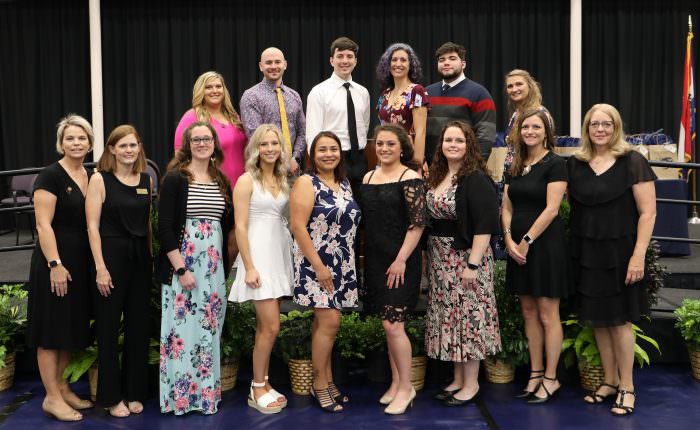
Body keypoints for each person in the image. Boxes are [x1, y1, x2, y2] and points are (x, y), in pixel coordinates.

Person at [568, 104, 656, 416]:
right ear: (587, 128)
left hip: (621, 253)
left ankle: (627, 387)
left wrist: (638, 256)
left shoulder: (632, 161)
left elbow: (648, 212)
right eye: (594, 124)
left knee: (620, 322)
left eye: (607, 124)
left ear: (616, 127)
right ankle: (608, 381)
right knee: (599, 321)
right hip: (588, 253)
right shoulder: (577, 164)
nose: (600, 129)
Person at [156, 122, 234, 415]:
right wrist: (180, 269)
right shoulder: (176, 178)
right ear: (187, 144)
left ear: (215, 143)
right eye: (196, 139)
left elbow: (226, 227)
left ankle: (204, 397)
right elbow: (164, 228)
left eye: (207, 138)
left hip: (212, 271)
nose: (202, 143)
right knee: (181, 335)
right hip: (183, 268)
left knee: (207, 333)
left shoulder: (221, 180)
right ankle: (180, 399)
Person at [425, 121, 501, 406]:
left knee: (469, 319)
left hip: (466, 258)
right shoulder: (439, 175)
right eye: (448, 140)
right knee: (451, 320)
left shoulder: (476, 178)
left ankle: (471, 384)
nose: (453, 145)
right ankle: (457, 379)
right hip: (440, 259)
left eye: (459, 140)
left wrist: (473, 264)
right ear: (441, 145)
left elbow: (485, 226)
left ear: (469, 145)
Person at [26, 114, 95, 422]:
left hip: (80, 265)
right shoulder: (50, 176)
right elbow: (43, 225)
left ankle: (64, 388)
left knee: (68, 328)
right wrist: (55, 264)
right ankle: (51, 398)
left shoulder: (89, 175)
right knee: (51, 330)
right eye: (70, 138)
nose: (76, 143)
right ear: (61, 143)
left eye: (81, 138)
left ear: (90, 143)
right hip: (55, 263)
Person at [501, 109, 571, 403]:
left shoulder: (555, 164)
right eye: (525, 127)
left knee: (547, 312)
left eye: (535, 127)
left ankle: (552, 378)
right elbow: (506, 206)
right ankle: (535, 373)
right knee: (528, 311)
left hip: (544, 245)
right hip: (516, 246)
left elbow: (552, 209)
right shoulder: (514, 164)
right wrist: (508, 239)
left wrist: (527, 240)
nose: (529, 131)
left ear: (546, 132)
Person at [290, 131, 361, 413]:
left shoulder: (344, 184)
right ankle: (319, 384)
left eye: (333, 149)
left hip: (342, 263)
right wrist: (319, 267)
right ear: (312, 154)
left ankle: (329, 380)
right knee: (330, 322)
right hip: (316, 264)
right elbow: (297, 226)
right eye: (322, 150)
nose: (328, 154)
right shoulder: (307, 182)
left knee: (326, 325)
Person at [359, 124, 427, 415]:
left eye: (390, 144)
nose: (384, 149)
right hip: (375, 261)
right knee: (387, 326)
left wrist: (401, 259)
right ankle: (397, 383)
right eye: (380, 144)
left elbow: (418, 224)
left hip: (401, 261)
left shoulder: (410, 177)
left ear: (403, 148)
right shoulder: (368, 176)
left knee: (393, 325)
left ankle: (407, 387)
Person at [85, 125, 152, 417]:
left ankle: (135, 391)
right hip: (110, 258)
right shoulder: (100, 179)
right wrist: (100, 267)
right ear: (111, 149)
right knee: (109, 329)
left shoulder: (147, 179)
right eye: (123, 145)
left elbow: (147, 222)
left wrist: (149, 258)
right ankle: (111, 398)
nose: (129, 150)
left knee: (139, 327)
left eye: (133, 145)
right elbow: (92, 226)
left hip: (139, 260)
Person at [228, 124, 293, 414]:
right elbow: (240, 227)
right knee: (271, 326)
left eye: (274, 144)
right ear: (255, 148)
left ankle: (264, 382)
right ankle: (256, 388)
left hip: (278, 254)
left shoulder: (282, 178)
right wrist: (249, 267)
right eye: (264, 144)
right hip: (258, 259)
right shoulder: (245, 180)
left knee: (265, 328)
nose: (269, 149)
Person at [306, 37, 371, 196]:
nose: (345, 61)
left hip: (359, 159)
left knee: (361, 210)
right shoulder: (319, 92)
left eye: (349, 56)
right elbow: (313, 134)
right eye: (340, 56)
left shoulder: (363, 92)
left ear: (355, 61)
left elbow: (364, 126)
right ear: (331, 60)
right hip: (332, 159)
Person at [174, 71, 247, 189]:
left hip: (241, 185)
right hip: (211, 186)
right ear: (201, 91)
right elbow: (180, 155)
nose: (214, 91)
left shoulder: (233, 117)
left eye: (218, 86)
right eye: (208, 87)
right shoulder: (191, 116)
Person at [425, 42, 496, 163]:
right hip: (431, 168)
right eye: (442, 60)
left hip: (464, 168)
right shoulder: (426, 92)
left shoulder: (479, 93)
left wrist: (474, 167)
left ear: (463, 64)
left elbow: (485, 136)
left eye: (452, 58)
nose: (446, 62)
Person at [240, 47, 306, 176]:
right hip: (264, 171)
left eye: (277, 62)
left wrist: (295, 158)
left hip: (293, 171)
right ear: (260, 66)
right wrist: (281, 162)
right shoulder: (251, 96)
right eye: (268, 62)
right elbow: (256, 137)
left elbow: (302, 132)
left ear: (285, 64)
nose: (273, 66)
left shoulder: (294, 96)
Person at [376, 43, 430, 164]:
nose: (398, 64)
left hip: (408, 158)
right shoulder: (385, 94)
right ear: (388, 65)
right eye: (394, 60)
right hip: (386, 157)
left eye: (403, 60)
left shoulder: (417, 90)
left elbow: (421, 131)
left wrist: (417, 165)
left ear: (410, 65)